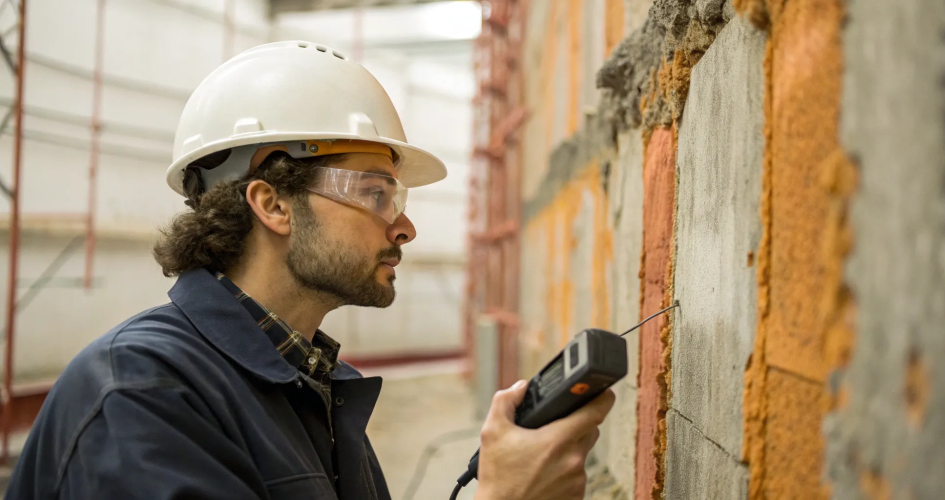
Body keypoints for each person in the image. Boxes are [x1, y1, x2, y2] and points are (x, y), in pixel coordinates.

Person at [6, 40, 614, 499]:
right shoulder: (140, 396)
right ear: (272, 204)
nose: (404, 227)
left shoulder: (312, 385)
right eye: (376, 194)